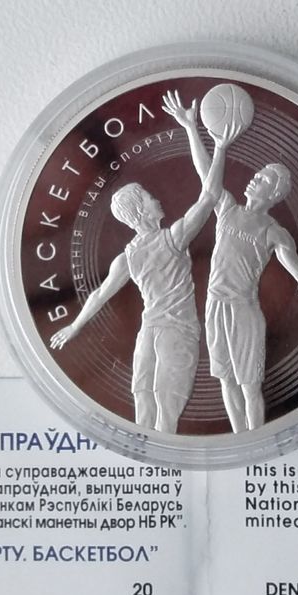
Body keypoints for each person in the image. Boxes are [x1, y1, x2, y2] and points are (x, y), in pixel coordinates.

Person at [164, 91, 298, 433]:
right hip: (215, 306)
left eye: (264, 178)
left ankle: (257, 436)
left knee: (249, 386)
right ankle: (242, 440)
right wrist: (192, 129)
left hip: (244, 311)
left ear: (274, 193)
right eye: (258, 174)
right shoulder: (227, 208)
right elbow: (206, 176)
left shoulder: (273, 232)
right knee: (226, 381)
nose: (255, 178)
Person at [49, 108, 233, 434]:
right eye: (149, 198)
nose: (156, 199)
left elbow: (100, 294)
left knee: (144, 403)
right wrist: (215, 144)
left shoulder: (127, 257)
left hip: (149, 331)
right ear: (140, 211)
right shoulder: (174, 238)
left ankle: (147, 455)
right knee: (165, 407)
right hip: (176, 332)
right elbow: (210, 195)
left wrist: (75, 326)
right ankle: (161, 457)